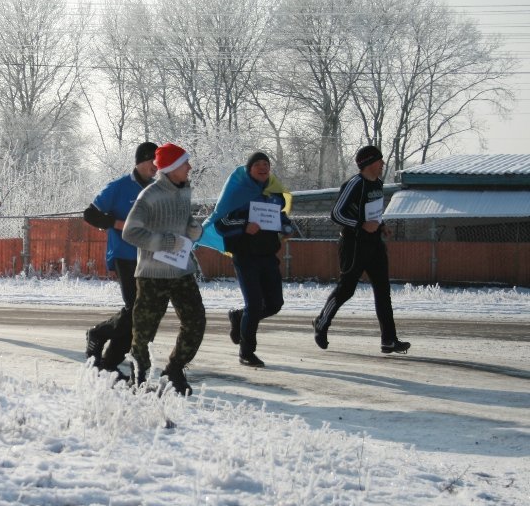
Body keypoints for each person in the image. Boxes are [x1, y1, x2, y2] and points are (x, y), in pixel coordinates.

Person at [122, 143, 207, 396]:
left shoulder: (184, 191)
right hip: (153, 275)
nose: (190, 167)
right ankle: (137, 379)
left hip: (182, 270)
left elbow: (182, 221)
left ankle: (174, 370)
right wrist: (165, 242)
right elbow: (130, 232)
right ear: (170, 168)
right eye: (185, 163)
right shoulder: (149, 195)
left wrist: (193, 228)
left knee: (196, 322)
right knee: (144, 331)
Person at [312, 145, 410, 354]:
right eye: (379, 160)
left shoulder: (379, 184)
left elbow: (372, 212)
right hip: (353, 245)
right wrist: (361, 225)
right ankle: (321, 321)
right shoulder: (355, 184)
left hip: (374, 244)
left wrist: (381, 226)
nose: (383, 163)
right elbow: (336, 214)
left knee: (383, 291)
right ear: (368, 163)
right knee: (346, 289)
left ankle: (389, 340)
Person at [199, 151, 293, 367]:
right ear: (249, 169)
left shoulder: (274, 192)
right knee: (254, 303)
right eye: (257, 164)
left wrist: (286, 226)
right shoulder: (238, 192)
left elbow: (280, 215)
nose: (263, 167)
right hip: (245, 255)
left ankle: (238, 317)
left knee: (274, 304)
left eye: (266, 164)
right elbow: (222, 223)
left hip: (268, 254)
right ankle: (246, 352)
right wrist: (244, 226)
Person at [82, 141, 157, 373]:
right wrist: (116, 223)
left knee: (141, 313)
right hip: (124, 255)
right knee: (136, 308)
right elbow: (90, 214)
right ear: (141, 161)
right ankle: (99, 333)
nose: (156, 167)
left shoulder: (157, 190)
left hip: (149, 257)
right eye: (153, 161)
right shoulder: (119, 187)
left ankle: (109, 363)